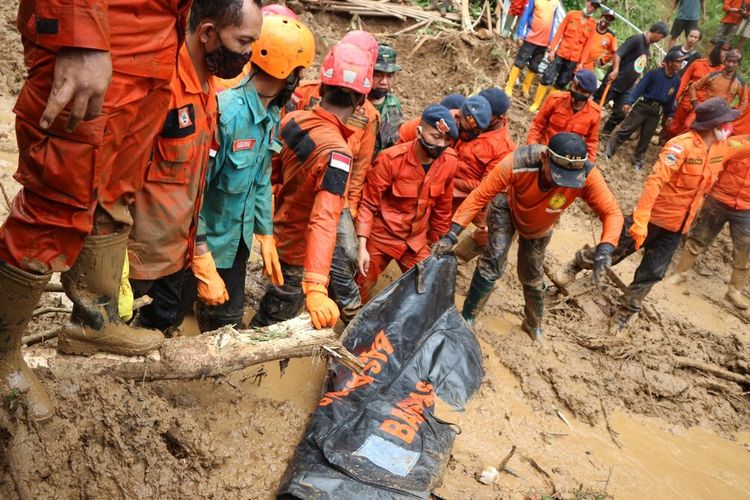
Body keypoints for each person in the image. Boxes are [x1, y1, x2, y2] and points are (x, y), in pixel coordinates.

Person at [0, 0, 192, 422]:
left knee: (114, 188)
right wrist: (78, 34)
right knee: (54, 201)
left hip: (157, 42)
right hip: (98, 36)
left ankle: (93, 321)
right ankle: (2, 356)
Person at [124, 0, 263, 335]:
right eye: (243, 42)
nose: (248, 55)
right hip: (137, 265)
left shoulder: (210, 91)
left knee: (163, 330)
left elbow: (194, 182)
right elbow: (116, 178)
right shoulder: (161, 88)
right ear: (208, 33)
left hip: (179, 256)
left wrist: (200, 255)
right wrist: (111, 268)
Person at [556, 98, 750, 334]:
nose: (730, 127)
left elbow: (746, 144)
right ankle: (576, 263)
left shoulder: (723, 148)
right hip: (650, 219)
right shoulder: (681, 147)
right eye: (727, 122)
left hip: (677, 227)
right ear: (714, 125)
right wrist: (640, 221)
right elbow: (655, 182)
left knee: (652, 273)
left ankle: (626, 312)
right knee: (613, 253)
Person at [433, 133, 623, 343]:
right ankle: (468, 316)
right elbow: (480, 196)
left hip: (541, 221)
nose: (564, 184)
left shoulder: (586, 174)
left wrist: (605, 249)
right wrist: (452, 234)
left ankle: (533, 323)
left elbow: (612, 212)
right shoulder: (517, 163)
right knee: (494, 258)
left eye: (570, 180)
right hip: (508, 205)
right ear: (544, 159)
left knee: (532, 274)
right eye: (558, 176)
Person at [193, 15, 315, 332]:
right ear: (286, 73)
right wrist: (201, 258)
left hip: (236, 243)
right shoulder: (226, 114)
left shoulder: (272, 114)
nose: (299, 81)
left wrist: (265, 233)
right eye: (298, 73)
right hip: (201, 244)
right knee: (168, 315)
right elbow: (191, 193)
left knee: (226, 324)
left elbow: (260, 178)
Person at [250, 41, 374, 330]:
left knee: (276, 303)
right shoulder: (339, 155)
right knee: (275, 321)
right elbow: (324, 219)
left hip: (278, 230)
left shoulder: (294, 120)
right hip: (298, 249)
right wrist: (317, 286)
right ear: (359, 103)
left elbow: (270, 175)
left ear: (320, 89)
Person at [284, 30, 380, 327]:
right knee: (296, 256)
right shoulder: (303, 97)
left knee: (348, 252)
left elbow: (361, 164)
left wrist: (348, 207)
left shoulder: (369, 117)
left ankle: (331, 300)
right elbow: (322, 221)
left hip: (335, 189)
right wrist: (315, 285)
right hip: (306, 183)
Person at [355, 105, 458, 303]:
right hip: (382, 235)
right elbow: (368, 204)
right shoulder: (390, 160)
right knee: (360, 285)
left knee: (426, 289)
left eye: (447, 139)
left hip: (415, 240)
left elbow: (442, 210)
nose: (441, 144)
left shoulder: (449, 162)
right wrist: (362, 247)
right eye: (436, 137)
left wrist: (436, 245)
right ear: (419, 132)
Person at [668, 153, 750, 311]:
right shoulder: (737, 143)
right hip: (718, 197)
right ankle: (680, 274)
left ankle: (734, 291)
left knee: (745, 250)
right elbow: (715, 163)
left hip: (747, 207)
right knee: (698, 237)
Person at [451, 88, 517, 263]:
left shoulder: (504, 149)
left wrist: (449, 181)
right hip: (447, 179)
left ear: (499, 118)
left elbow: (485, 188)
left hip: (471, 195)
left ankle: (457, 257)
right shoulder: (471, 117)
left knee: (490, 232)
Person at [603, 47, 685, 171]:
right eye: (678, 61)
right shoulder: (654, 73)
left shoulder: (676, 80)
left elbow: (671, 98)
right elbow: (639, 88)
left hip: (656, 111)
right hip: (643, 106)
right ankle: (609, 150)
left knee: (646, 137)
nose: (680, 64)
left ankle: (638, 160)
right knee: (626, 129)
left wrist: (670, 114)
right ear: (669, 62)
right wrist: (629, 102)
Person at [595, 22, 670, 136]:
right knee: (595, 106)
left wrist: (636, 78)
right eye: (662, 37)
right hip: (615, 81)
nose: (660, 40)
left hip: (626, 86)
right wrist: (615, 70)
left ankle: (604, 133)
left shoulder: (646, 46)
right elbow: (618, 54)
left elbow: (637, 65)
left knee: (621, 113)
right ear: (658, 33)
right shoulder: (636, 39)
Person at [529, 0, 599, 112]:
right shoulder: (572, 15)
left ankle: (547, 106)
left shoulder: (592, 24)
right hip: (561, 53)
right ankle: (536, 103)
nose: (592, 8)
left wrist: (581, 63)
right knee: (547, 77)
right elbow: (559, 32)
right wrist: (552, 49)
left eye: (595, 7)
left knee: (561, 83)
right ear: (587, 2)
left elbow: (588, 45)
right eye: (592, 4)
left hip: (574, 59)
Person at [527, 69, 601, 161]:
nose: (578, 93)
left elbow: (591, 143)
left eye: (583, 91)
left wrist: (589, 166)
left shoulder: (594, 113)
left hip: (567, 161)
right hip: (544, 151)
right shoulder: (555, 99)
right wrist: (532, 147)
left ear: (590, 94)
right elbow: (537, 125)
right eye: (576, 88)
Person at [664, 41, 728, 140]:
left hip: (702, 104)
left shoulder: (722, 72)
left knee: (688, 125)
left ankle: (679, 145)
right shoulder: (698, 63)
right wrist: (674, 98)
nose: (725, 56)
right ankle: (667, 141)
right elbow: (683, 81)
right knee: (674, 125)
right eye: (723, 53)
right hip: (687, 100)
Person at [504, 0, 565, 99]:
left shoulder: (555, 2)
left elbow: (553, 21)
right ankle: (509, 86)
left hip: (544, 42)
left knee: (534, 65)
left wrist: (550, 39)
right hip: (531, 37)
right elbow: (526, 15)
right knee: (520, 61)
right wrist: (520, 34)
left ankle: (525, 87)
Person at [398, 95, 492, 145]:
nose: (467, 136)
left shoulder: (465, 129)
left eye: (474, 133)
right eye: (465, 131)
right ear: (457, 117)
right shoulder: (440, 123)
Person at [688, 49, 747, 117]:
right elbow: (693, 86)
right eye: (729, 61)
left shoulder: (740, 82)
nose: (731, 64)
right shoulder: (713, 75)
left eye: (734, 62)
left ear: (738, 65)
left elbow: (744, 101)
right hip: (705, 112)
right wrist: (694, 103)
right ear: (724, 61)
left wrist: (735, 114)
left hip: (721, 117)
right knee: (688, 124)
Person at [370, 44, 404, 155]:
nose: (384, 82)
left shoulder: (394, 105)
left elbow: (394, 142)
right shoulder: (354, 104)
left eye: (389, 76)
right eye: (377, 75)